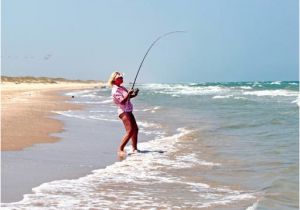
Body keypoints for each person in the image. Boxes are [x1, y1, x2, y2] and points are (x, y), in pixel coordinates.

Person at [108, 72, 139, 157]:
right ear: (114, 79)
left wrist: (133, 95)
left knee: (135, 129)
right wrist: (129, 94)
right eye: (120, 77)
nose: (122, 78)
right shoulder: (115, 90)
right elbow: (122, 101)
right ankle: (120, 149)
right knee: (130, 130)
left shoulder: (121, 87)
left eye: (122, 77)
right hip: (123, 111)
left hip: (128, 110)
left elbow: (127, 98)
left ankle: (135, 148)